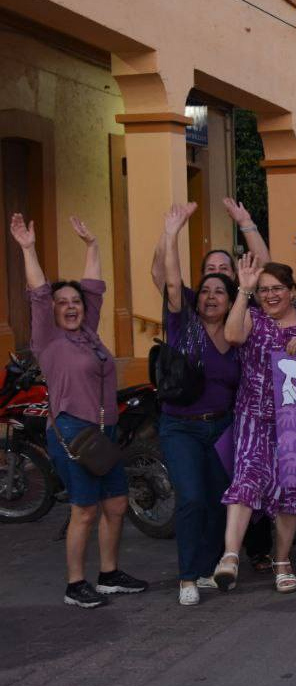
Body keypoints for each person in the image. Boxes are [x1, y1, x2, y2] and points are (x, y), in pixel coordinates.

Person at [11, 214, 149, 609]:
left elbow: (93, 288)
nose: (71, 307)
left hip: (103, 431)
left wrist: (92, 246)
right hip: (73, 432)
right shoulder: (48, 339)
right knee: (85, 511)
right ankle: (75, 584)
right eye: (62, 303)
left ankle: (108, 575)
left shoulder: (88, 331)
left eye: (75, 302)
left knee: (117, 505)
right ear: (51, 311)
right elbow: (38, 292)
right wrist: (28, 248)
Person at [212, 256, 296, 594]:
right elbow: (232, 335)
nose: (270, 295)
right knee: (246, 477)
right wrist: (244, 290)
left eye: (277, 288)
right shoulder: (252, 317)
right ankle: (230, 556)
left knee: (290, 490)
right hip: (252, 414)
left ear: (292, 290)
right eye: (264, 290)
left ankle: (282, 561)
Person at [155, 203, 242, 606]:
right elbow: (173, 285)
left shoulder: (239, 333)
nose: (210, 297)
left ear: (230, 299)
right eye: (204, 291)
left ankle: (208, 569)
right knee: (190, 498)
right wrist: (172, 233)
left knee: (216, 499)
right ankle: (187, 576)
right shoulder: (182, 323)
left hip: (222, 427)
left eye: (218, 291)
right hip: (181, 427)